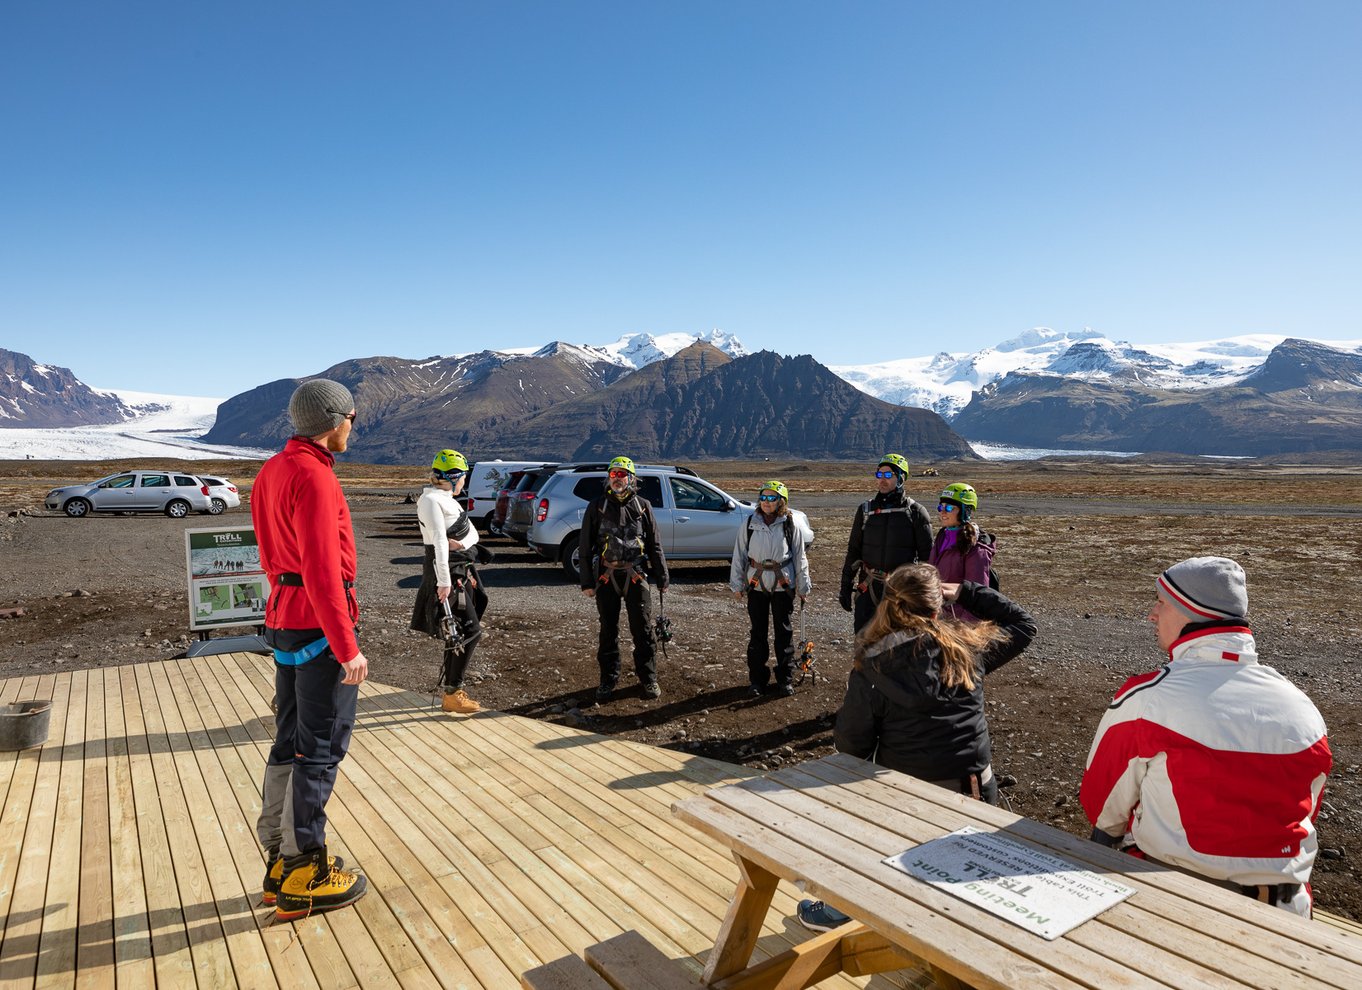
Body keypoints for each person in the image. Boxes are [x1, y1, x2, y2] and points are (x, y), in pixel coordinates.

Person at [1081, 556, 1331, 917]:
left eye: (1161, 602)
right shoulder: (1303, 707)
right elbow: (1306, 809)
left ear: (1189, 613)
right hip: (1288, 913)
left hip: (1177, 903)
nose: (1152, 614)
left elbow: (1102, 807)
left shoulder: (1149, 698)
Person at [797, 563, 1036, 932]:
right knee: (964, 877)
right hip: (972, 788)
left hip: (907, 794)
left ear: (888, 604)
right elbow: (1024, 625)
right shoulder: (966, 650)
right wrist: (969, 591)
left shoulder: (873, 665)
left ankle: (842, 908)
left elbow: (850, 742)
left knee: (865, 829)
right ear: (937, 606)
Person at [252, 378, 368, 921]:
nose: (353, 425)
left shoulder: (272, 470)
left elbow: (272, 550)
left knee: (291, 737)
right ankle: (304, 869)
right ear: (333, 421)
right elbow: (324, 571)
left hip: (284, 620)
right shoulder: (316, 479)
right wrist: (347, 648)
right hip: (320, 628)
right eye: (350, 417)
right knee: (319, 747)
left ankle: (279, 858)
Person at [579, 456, 668, 702]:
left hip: (636, 575)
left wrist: (662, 577)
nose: (617, 478)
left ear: (631, 478)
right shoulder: (596, 506)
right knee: (608, 631)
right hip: (606, 577)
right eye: (613, 474)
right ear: (609, 477)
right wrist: (587, 582)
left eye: (622, 474)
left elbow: (654, 544)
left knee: (643, 630)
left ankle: (648, 679)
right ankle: (608, 680)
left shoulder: (643, 506)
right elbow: (585, 545)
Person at [410, 449, 487, 715]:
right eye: (463, 477)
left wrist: (463, 544)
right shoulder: (431, 501)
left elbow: (473, 535)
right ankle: (453, 692)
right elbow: (440, 543)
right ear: (454, 478)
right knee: (471, 630)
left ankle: (452, 692)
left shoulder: (446, 500)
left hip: (457, 572)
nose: (465, 482)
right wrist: (443, 582)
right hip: (447, 574)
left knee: (460, 632)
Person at [729, 480, 812, 698]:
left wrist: (803, 586)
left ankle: (785, 679)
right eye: (763, 498)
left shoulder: (790, 525)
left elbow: (799, 557)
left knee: (783, 633)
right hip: (756, 586)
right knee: (758, 633)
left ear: (781, 501)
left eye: (771, 498)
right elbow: (739, 554)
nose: (766, 502)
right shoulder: (749, 523)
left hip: (783, 585)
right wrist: (737, 584)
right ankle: (757, 680)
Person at [839, 454, 933, 632]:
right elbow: (854, 551)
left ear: (901, 478)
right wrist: (845, 586)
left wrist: (924, 597)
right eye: (879, 475)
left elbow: (927, 560)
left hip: (900, 593)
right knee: (864, 646)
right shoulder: (865, 510)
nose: (882, 480)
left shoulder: (916, 513)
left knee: (897, 648)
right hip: (868, 589)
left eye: (888, 475)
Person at [928, 482, 995, 622]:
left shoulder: (977, 548)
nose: (942, 512)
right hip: (936, 615)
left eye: (949, 507)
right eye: (941, 507)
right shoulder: (942, 537)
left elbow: (976, 596)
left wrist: (961, 630)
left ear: (965, 511)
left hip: (957, 623)